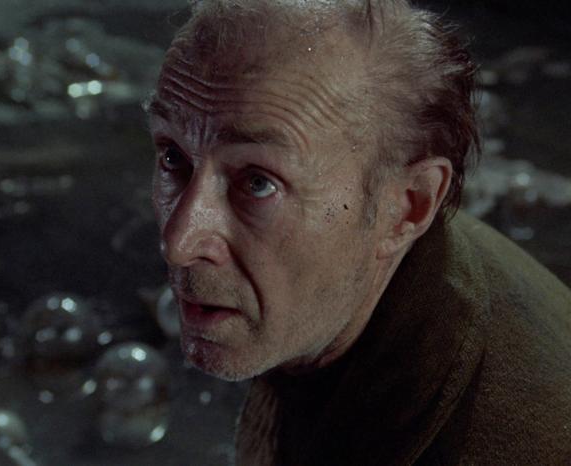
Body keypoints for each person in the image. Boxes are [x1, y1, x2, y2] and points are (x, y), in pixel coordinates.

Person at [146, 0, 571, 464]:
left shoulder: (503, 443)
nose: (178, 243)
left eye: (258, 183)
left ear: (408, 207)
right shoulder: (361, 260)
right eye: (172, 156)